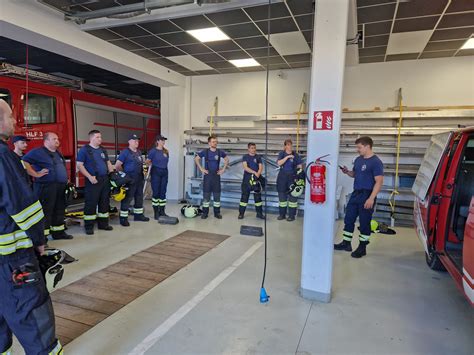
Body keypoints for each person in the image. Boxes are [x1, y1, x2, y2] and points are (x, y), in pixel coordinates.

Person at [0, 99, 62, 355]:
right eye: (11, 116)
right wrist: (40, 242)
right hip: (12, 260)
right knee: (34, 316)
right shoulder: (4, 156)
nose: (15, 121)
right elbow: (24, 207)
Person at [334, 136, 384, 258]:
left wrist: (371, 198)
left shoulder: (376, 162)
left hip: (367, 194)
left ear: (367, 146)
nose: (358, 149)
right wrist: (347, 172)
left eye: (359, 147)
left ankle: (362, 247)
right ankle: (346, 243)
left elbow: (379, 182)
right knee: (349, 218)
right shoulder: (358, 160)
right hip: (356, 193)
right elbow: (355, 174)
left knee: (364, 222)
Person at [23, 132, 73, 240]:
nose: (57, 141)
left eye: (57, 138)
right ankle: (42, 237)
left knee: (59, 210)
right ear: (46, 141)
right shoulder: (37, 152)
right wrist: (35, 174)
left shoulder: (58, 153)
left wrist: (66, 179)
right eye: (54, 139)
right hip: (45, 187)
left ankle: (58, 233)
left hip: (60, 187)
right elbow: (23, 161)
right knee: (45, 212)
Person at [76, 130, 115, 235]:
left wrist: (112, 174)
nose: (100, 139)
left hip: (104, 179)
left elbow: (107, 162)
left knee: (104, 202)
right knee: (91, 203)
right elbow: (79, 165)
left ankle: (103, 224)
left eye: (100, 137)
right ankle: (89, 227)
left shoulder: (102, 149)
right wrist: (89, 177)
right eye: (98, 137)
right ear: (91, 138)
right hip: (93, 180)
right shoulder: (84, 150)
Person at [115, 134, 150, 226]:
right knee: (127, 198)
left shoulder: (138, 152)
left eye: (137, 141)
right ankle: (123, 218)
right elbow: (117, 165)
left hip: (139, 178)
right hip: (130, 179)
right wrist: (124, 175)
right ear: (129, 142)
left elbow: (142, 164)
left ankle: (138, 215)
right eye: (134, 141)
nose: (136, 142)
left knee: (139, 197)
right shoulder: (125, 152)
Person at [194, 135, 229, 219]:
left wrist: (223, 169)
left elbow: (227, 159)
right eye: (213, 142)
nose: (215, 143)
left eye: (216, 141)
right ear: (209, 143)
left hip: (216, 176)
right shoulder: (205, 152)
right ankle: (205, 213)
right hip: (207, 177)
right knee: (206, 195)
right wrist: (201, 169)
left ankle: (217, 213)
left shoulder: (219, 152)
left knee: (217, 196)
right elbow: (196, 159)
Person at [276, 139, 303, 221]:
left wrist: (299, 174)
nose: (290, 146)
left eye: (291, 145)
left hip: (292, 177)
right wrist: (287, 157)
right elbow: (279, 163)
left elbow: (300, 165)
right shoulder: (282, 154)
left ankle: (291, 216)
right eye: (288, 145)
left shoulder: (296, 155)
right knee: (282, 196)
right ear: (285, 146)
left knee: (293, 197)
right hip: (282, 177)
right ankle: (282, 214)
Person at [238, 142, 265, 220]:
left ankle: (259, 214)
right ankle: (241, 213)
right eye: (252, 148)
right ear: (248, 149)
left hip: (256, 179)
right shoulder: (245, 157)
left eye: (254, 148)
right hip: (247, 179)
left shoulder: (258, 157)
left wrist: (258, 174)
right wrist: (254, 172)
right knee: (244, 197)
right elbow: (245, 167)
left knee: (258, 198)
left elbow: (260, 167)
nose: (253, 149)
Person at [146, 135, 170, 220]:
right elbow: (147, 161)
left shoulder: (166, 151)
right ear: (158, 141)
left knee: (163, 192)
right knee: (156, 193)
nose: (163, 142)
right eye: (162, 140)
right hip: (156, 172)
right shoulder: (153, 151)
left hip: (164, 172)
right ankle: (156, 213)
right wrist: (150, 166)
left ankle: (162, 212)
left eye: (164, 140)